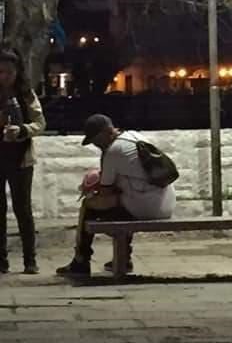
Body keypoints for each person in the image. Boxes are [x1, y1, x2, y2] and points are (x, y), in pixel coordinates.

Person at [56, 114, 176, 276]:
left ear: (107, 132)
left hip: (146, 208)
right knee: (122, 203)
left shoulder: (113, 151)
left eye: (96, 141)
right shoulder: (134, 136)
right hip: (165, 202)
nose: (97, 146)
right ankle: (124, 259)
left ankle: (81, 261)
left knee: (89, 205)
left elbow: (106, 192)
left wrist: (92, 191)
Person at [0, 44, 46, 274]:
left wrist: (22, 130)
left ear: (17, 72)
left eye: (9, 72)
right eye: (0, 72)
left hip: (21, 159)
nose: (4, 77)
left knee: (23, 209)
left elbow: (40, 123)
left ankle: (30, 260)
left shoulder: (26, 94)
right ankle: (1, 260)